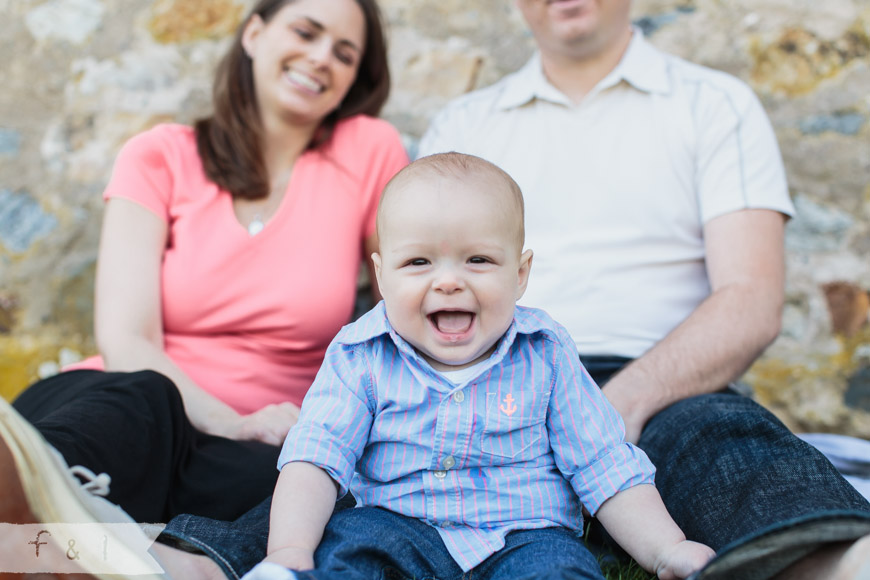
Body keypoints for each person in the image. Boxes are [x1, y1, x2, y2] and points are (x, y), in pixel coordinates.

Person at [415, 1, 870, 578]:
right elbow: (421, 291)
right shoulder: (461, 127)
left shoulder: (714, 104)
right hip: (487, 383)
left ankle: (848, 561)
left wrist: (610, 411)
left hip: (662, 389)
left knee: (729, 443)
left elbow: (750, 299)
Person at [1, 0, 406, 548]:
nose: (320, 58)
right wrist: (228, 419)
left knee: (304, 496)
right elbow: (125, 338)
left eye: (344, 53)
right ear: (255, 33)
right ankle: (34, 510)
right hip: (124, 406)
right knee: (142, 400)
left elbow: (404, 310)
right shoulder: (159, 155)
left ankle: (98, 542)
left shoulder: (367, 150)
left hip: (255, 446)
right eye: (305, 32)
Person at [241, 152, 715, 580]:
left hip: (523, 535)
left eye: (479, 259)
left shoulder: (545, 353)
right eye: (419, 261)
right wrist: (289, 549)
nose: (448, 281)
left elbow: (604, 465)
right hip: (395, 524)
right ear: (381, 276)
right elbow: (316, 462)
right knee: (348, 551)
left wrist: (667, 548)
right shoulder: (359, 355)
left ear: (520, 274)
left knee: (558, 570)